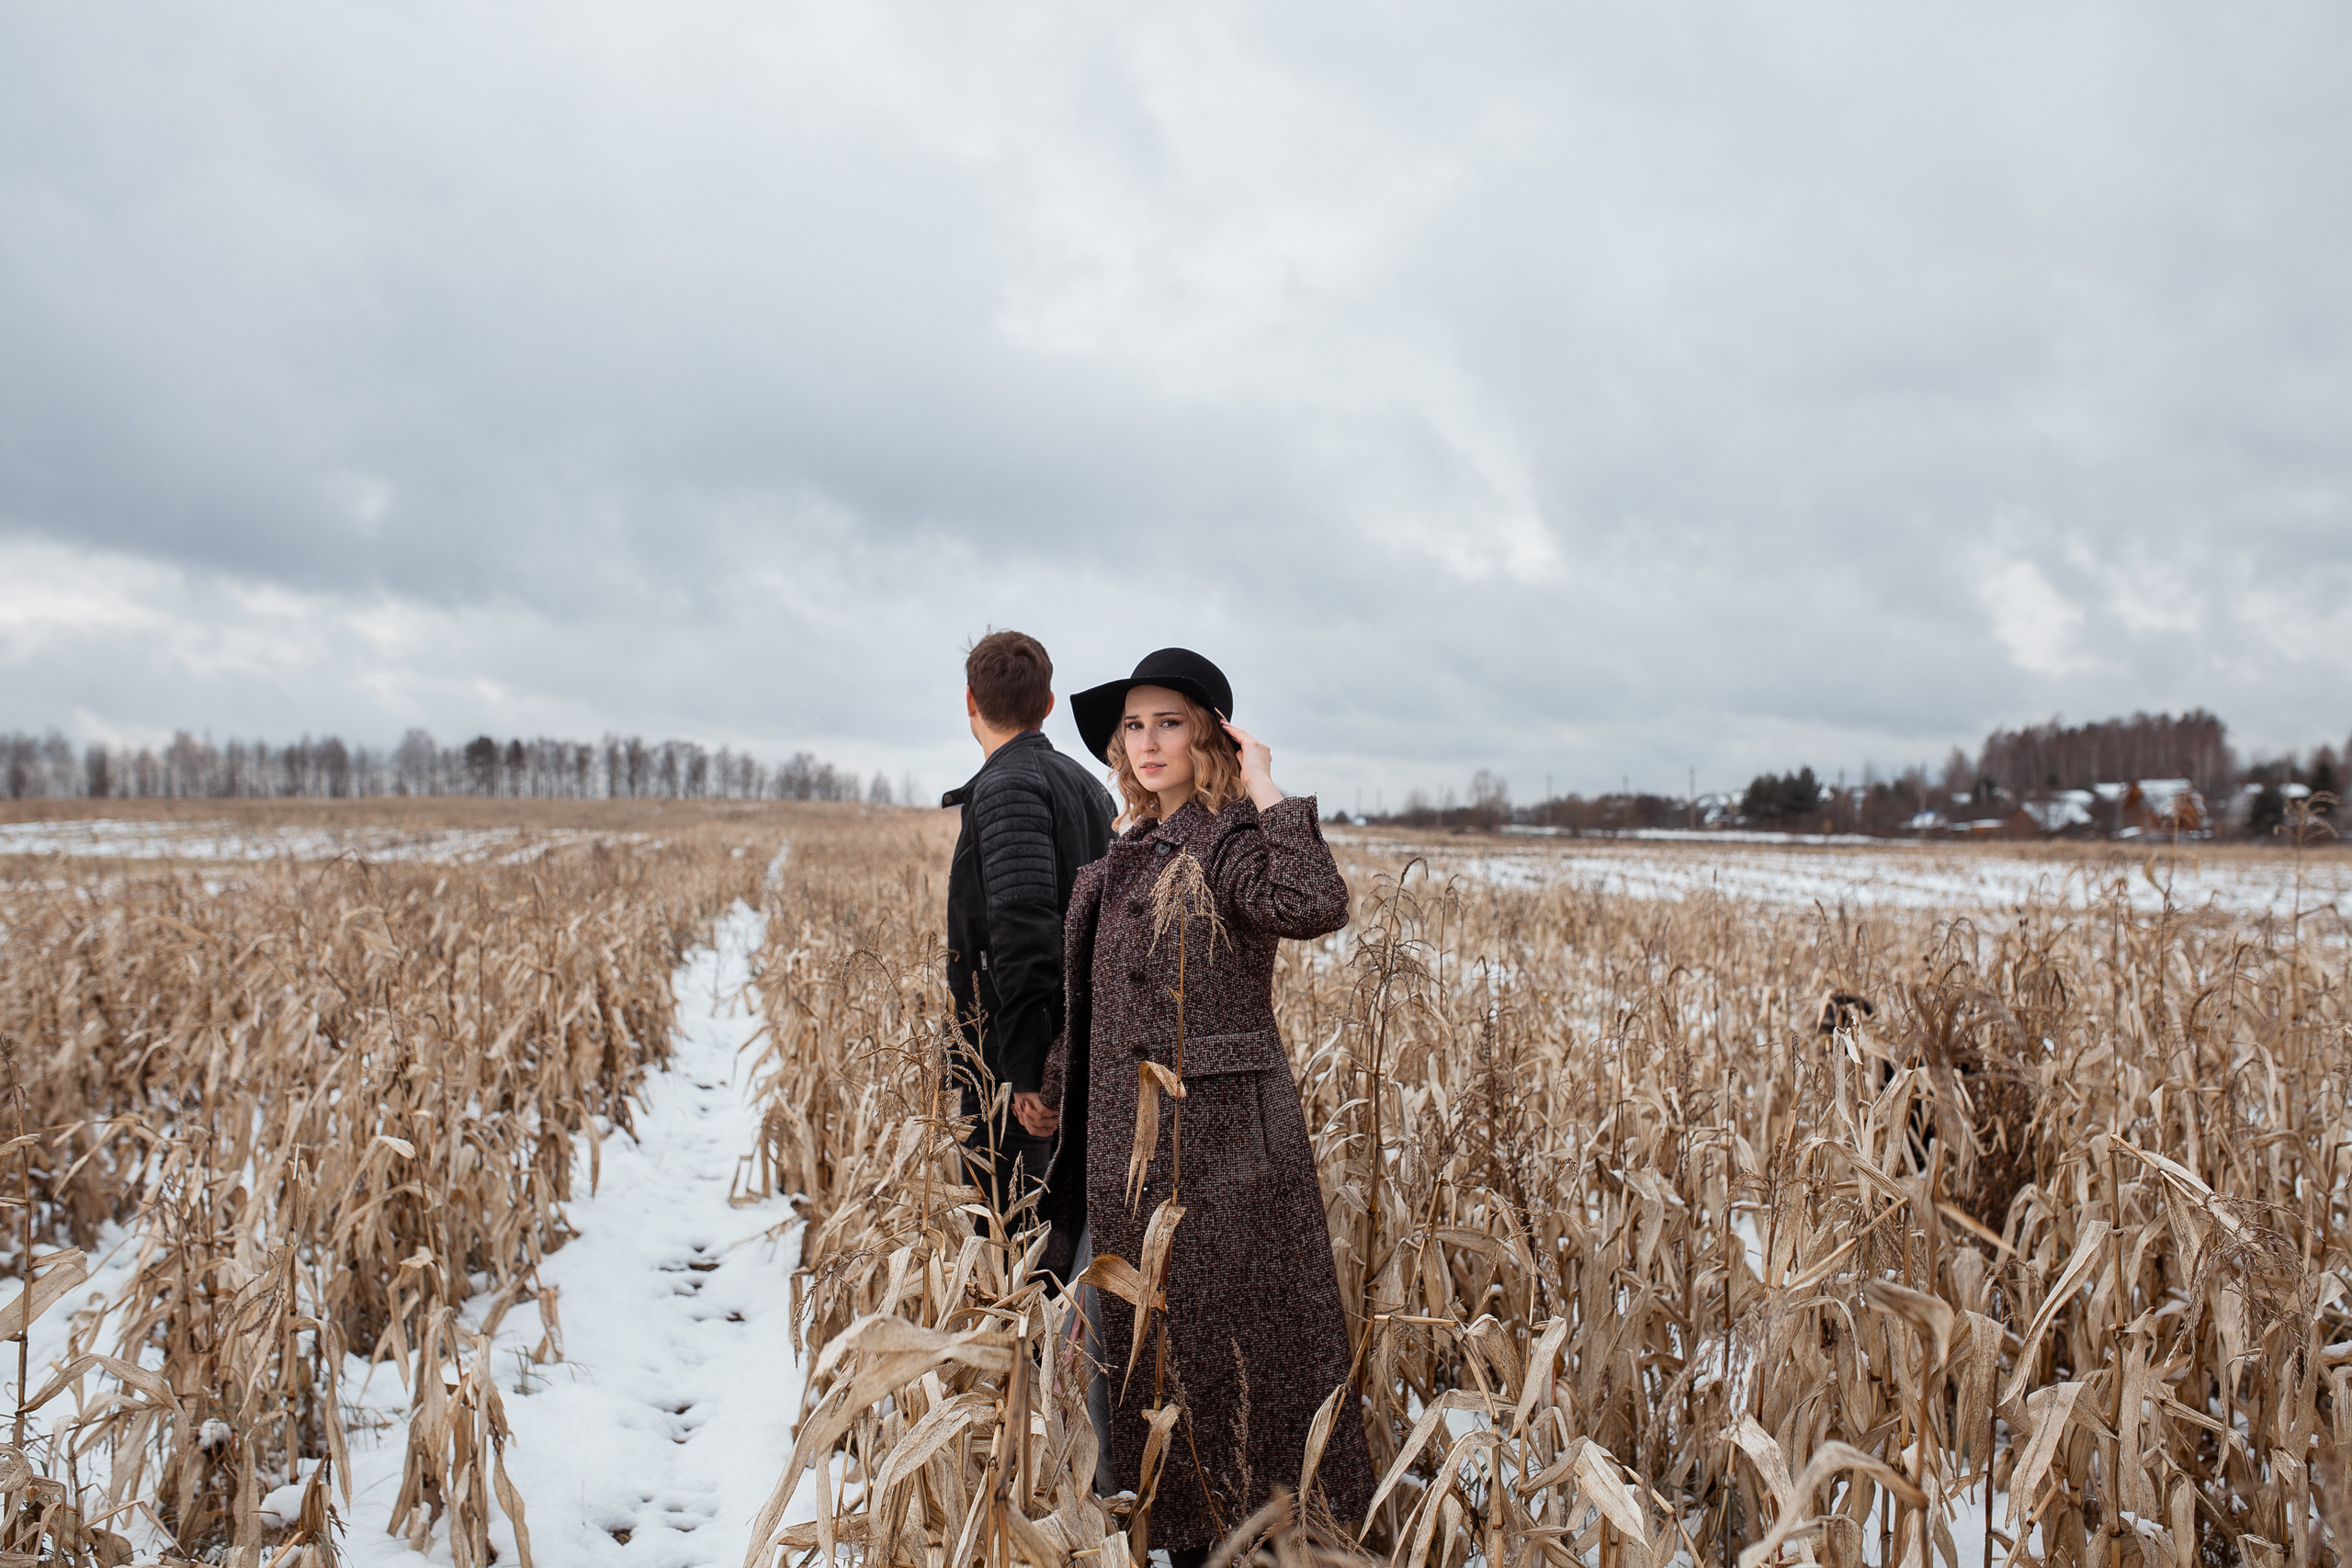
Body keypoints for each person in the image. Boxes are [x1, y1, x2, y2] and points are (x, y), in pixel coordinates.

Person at [1038, 648, 1375, 1561]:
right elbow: (1103, 993)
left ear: (1212, 737)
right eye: (1134, 726)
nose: (1147, 742)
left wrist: (1266, 787)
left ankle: (1249, 1533)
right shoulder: (1132, 841)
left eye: (1170, 722)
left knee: (1231, 1364)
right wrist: (1059, 1081)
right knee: (1147, 1352)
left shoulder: (1223, 838)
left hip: (1218, 1151)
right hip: (1126, 1144)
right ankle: (1166, 1521)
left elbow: (1313, 903)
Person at [943, 630, 1116, 1240]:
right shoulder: (1088, 785)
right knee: (1057, 1248)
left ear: (970, 700)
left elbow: (1024, 937)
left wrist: (1029, 1074)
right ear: (1047, 703)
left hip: (1020, 1080)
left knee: (1016, 1255)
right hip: (1071, 1057)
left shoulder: (1009, 787)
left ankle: (1019, 1342)